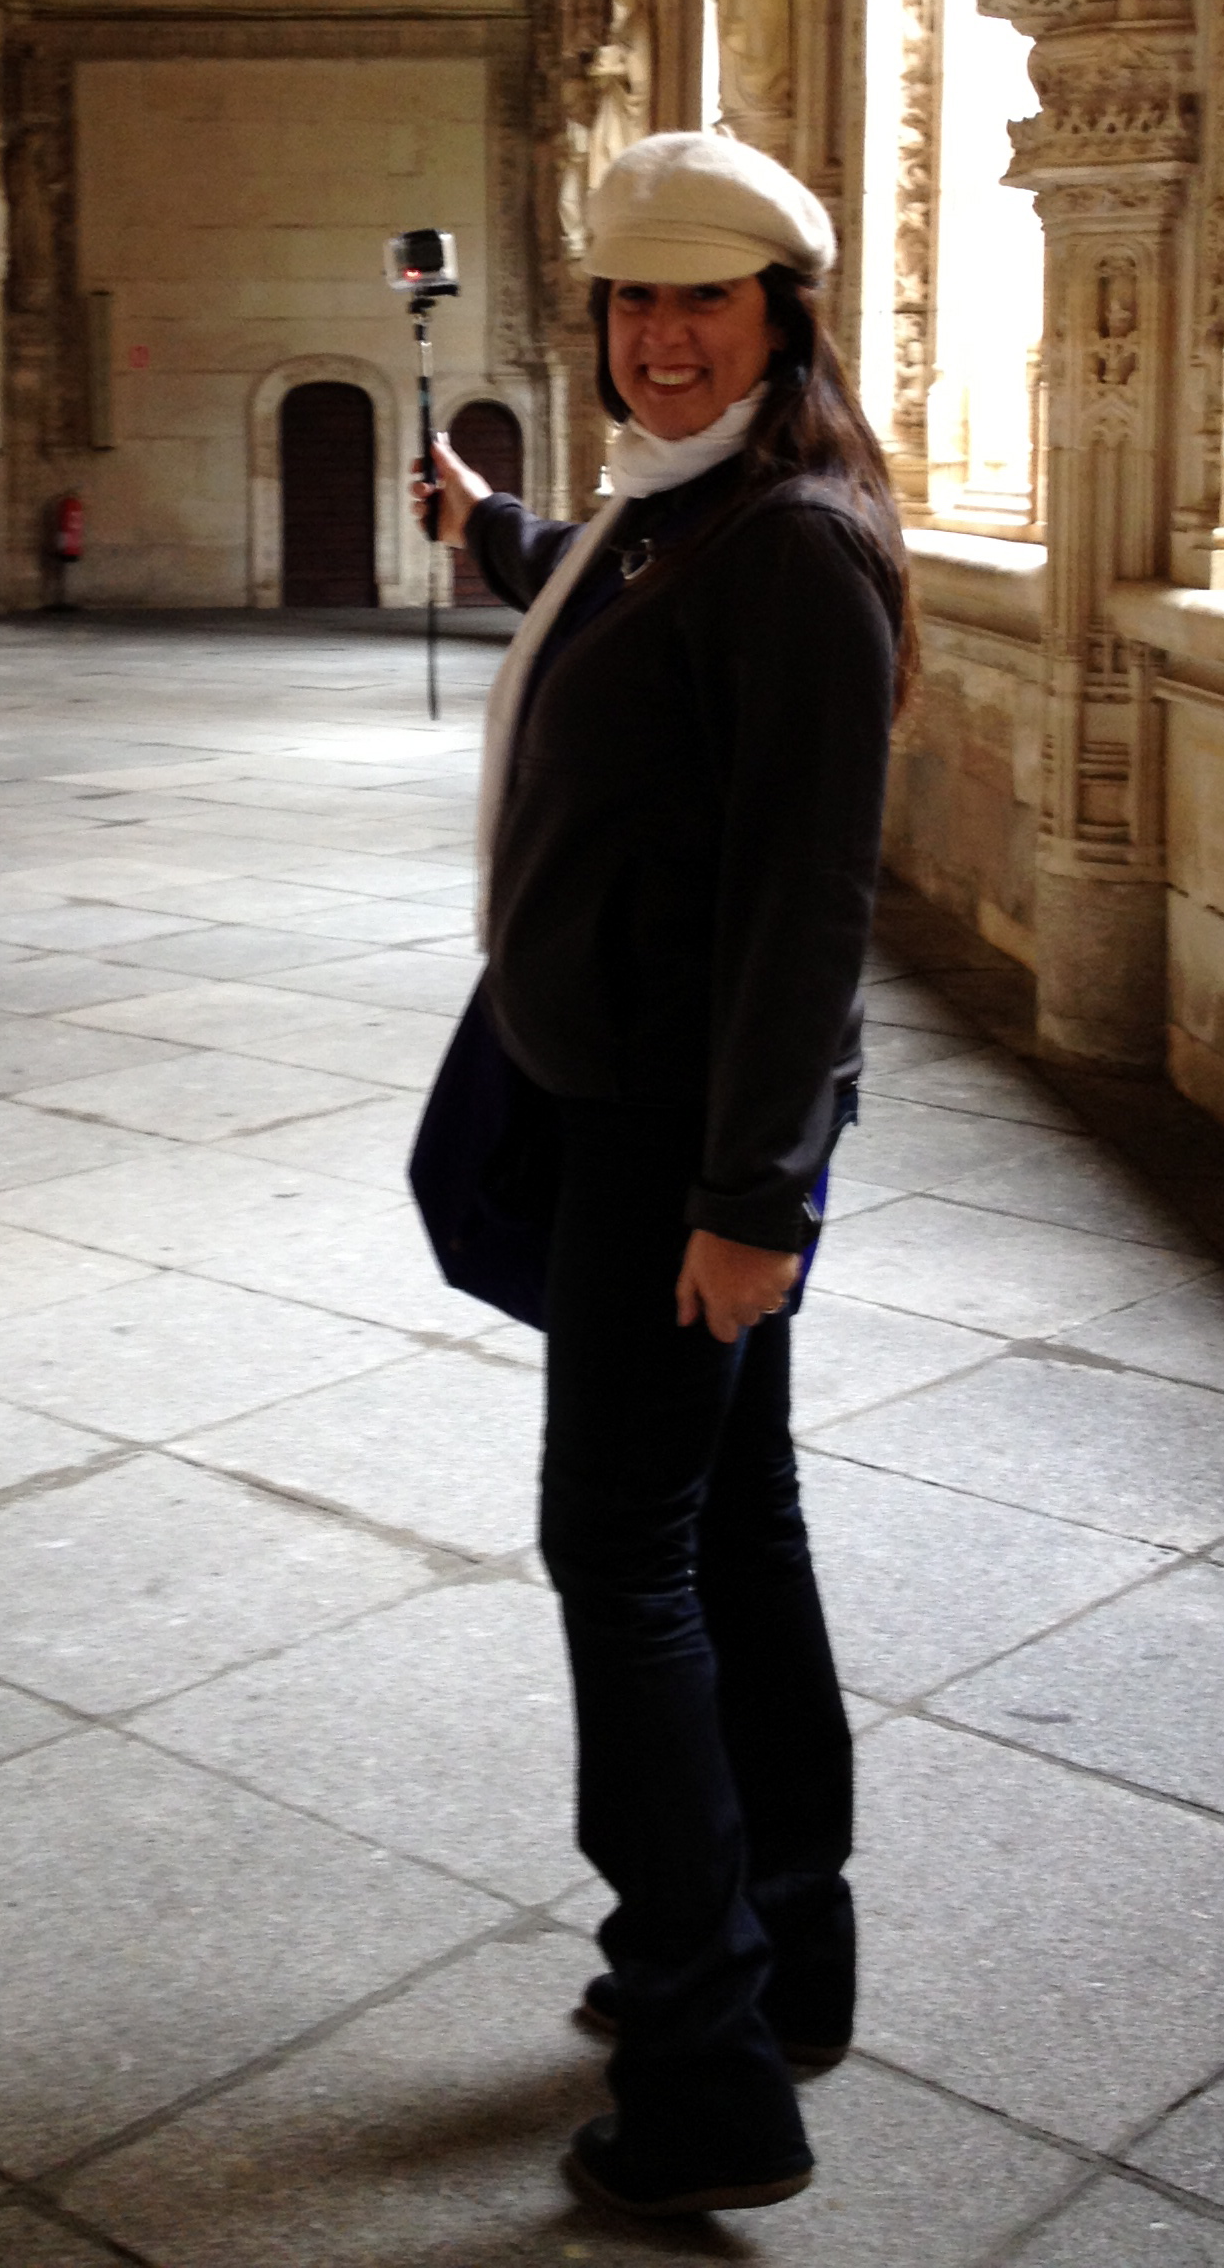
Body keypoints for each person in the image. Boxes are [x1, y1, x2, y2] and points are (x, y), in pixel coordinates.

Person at [413, 127, 913, 2220]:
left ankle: (704, 2067)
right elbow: (597, 589)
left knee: (624, 1563)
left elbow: (809, 903)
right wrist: (488, 525)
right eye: (633, 298)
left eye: (703, 297)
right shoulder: (669, 521)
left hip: (676, 1144)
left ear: (782, 316)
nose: (662, 334)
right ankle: (788, 1949)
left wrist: (750, 1201)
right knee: (736, 1529)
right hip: (637, 1108)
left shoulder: (792, 547)